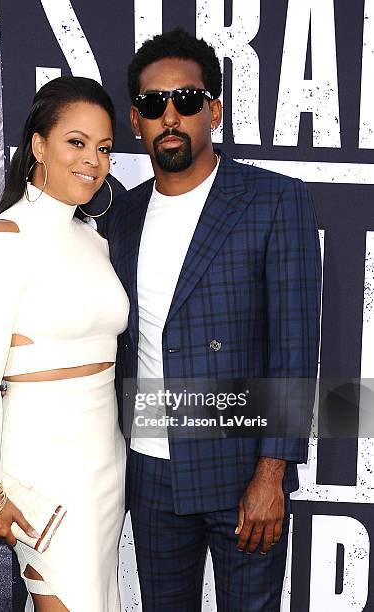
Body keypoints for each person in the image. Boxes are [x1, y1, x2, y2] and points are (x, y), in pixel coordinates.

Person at [102, 28, 322, 611]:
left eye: (187, 101)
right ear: (135, 121)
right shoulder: (121, 216)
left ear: (214, 111)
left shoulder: (274, 200)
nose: (170, 116)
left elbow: (295, 346)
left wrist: (272, 474)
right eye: (153, 105)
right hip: (149, 470)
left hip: (242, 469)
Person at [0, 76, 129, 612]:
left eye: (103, 147)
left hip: (107, 462)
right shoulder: (3, 240)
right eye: (76, 142)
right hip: (45, 471)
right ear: (38, 145)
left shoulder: (95, 240)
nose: (93, 160)